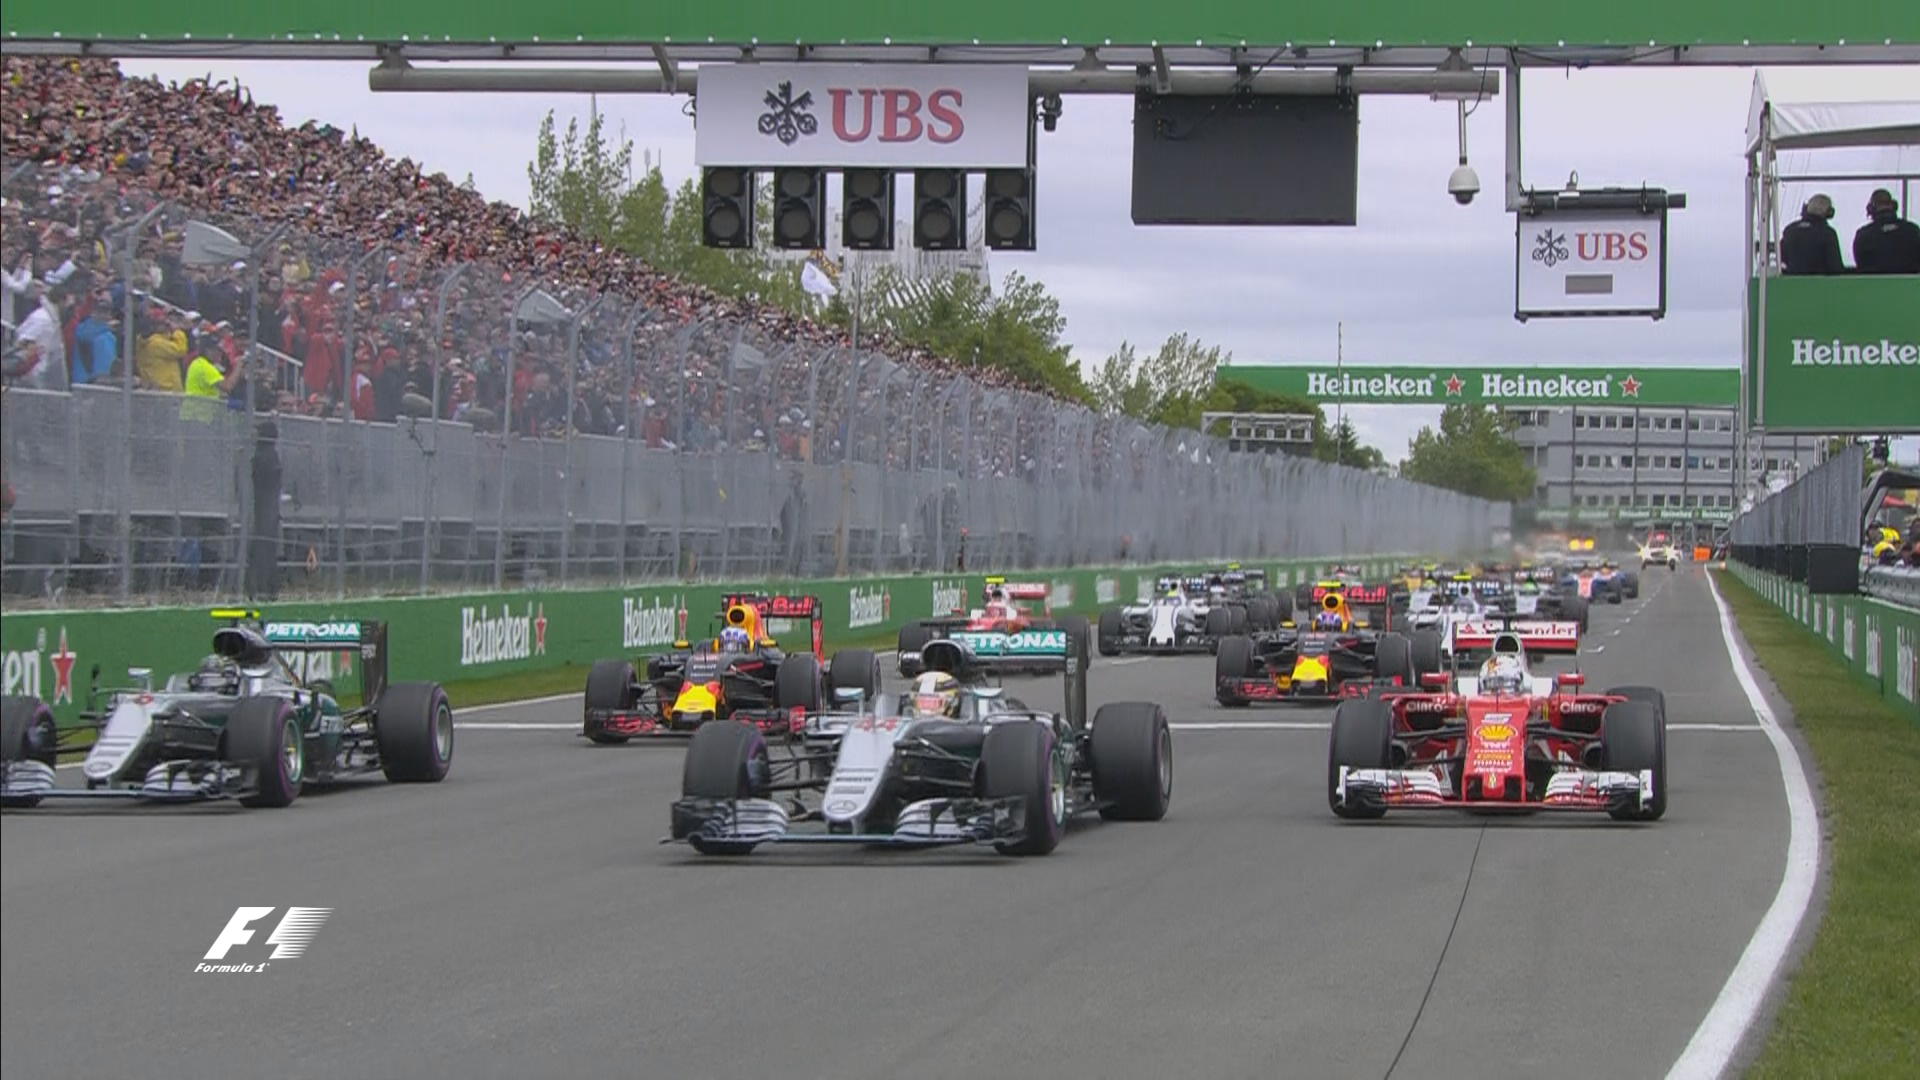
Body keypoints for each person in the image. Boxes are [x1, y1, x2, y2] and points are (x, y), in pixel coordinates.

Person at [1853, 189, 1920, 275]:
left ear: (1870, 209)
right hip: (1910, 283)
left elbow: (1861, 265)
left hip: (1875, 283)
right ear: (1894, 206)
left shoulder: (1863, 235)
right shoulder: (1913, 230)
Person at [180, 337, 244, 421]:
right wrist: (239, 365)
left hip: (192, 415)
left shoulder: (198, 362)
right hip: (197, 416)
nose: (220, 354)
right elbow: (227, 386)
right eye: (217, 351)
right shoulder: (205, 367)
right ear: (207, 351)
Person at [1780, 194, 1845, 276]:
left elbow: (1782, 257)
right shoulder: (1828, 233)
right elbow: (1835, 268)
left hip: (1791, 282)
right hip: (1820, 283)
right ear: (1829, 212)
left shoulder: (1789, 230)